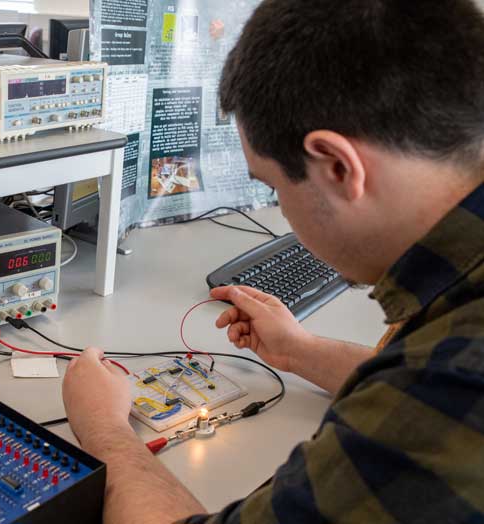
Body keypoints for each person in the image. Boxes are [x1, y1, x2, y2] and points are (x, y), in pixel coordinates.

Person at [61, 0, 484, 522]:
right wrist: (301, 351)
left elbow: (428, 398)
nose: (281, 207)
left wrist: (103, 430)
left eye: (272, 184)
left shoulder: (448, 388)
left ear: (336, 165)